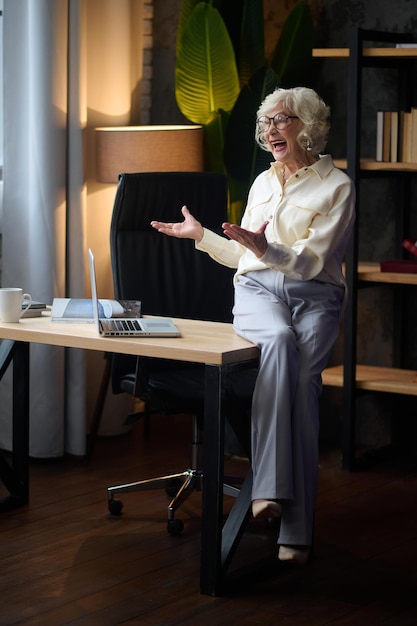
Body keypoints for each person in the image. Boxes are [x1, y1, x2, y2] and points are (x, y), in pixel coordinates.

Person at [151, 86, 355, 564]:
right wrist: (203, 236)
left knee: (303, 386)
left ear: (307, 125)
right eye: (266, 123)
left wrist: (264, 249)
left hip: (314, 297)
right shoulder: (262, 183)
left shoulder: (338, 186)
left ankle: (291, 525)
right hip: (259, 292)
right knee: (280, 343)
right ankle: (276, 504)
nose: (270, 130)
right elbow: (246, 257)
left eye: (280, 119)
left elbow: (311, 263)